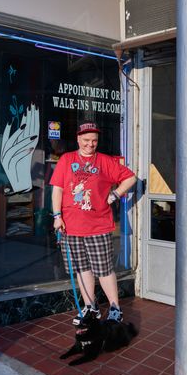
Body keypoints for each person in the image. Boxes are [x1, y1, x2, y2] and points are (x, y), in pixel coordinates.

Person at [50, 122, 137, 325]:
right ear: (78, 139)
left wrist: (115, 194)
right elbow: (58, 190)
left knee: (104, 269)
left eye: (94, 141)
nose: (91, 144)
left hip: (98, 225)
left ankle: (115, 308)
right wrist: (57, 216)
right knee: (82, 268)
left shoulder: (105, 161)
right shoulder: (66, 159)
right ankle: (91, 307)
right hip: (70, 226)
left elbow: (130, 178)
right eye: (87, 140)